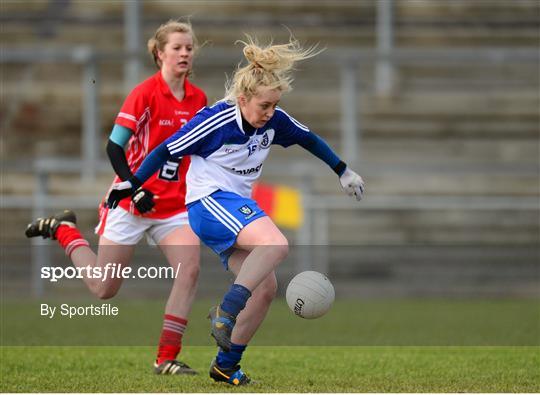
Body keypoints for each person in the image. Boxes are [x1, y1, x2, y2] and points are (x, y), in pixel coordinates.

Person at [107, 36, 365, 385]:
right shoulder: (216, 121)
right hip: (207, 203)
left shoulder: (274, 119)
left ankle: (225, 364)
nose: (270, 113)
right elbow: (166, 150)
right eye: (264, 106)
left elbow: (309, 138)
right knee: (275, 245)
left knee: (265, 289)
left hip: (235, 207)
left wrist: (342, 170)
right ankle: (225, 312)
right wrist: (133, 182)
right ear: (242, 99)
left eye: (274, 105)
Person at [25, 20, 207, 375]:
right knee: (104, 288)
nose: (185, 53)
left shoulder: (199, 99)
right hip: (130, 201)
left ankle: (165, 358)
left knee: (190, 270)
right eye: (177, 47)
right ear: (159, 54)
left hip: (172, 207)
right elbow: (114, 147)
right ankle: (64, 230)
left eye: (189, 47)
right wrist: (135, 188)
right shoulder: (145, 94)